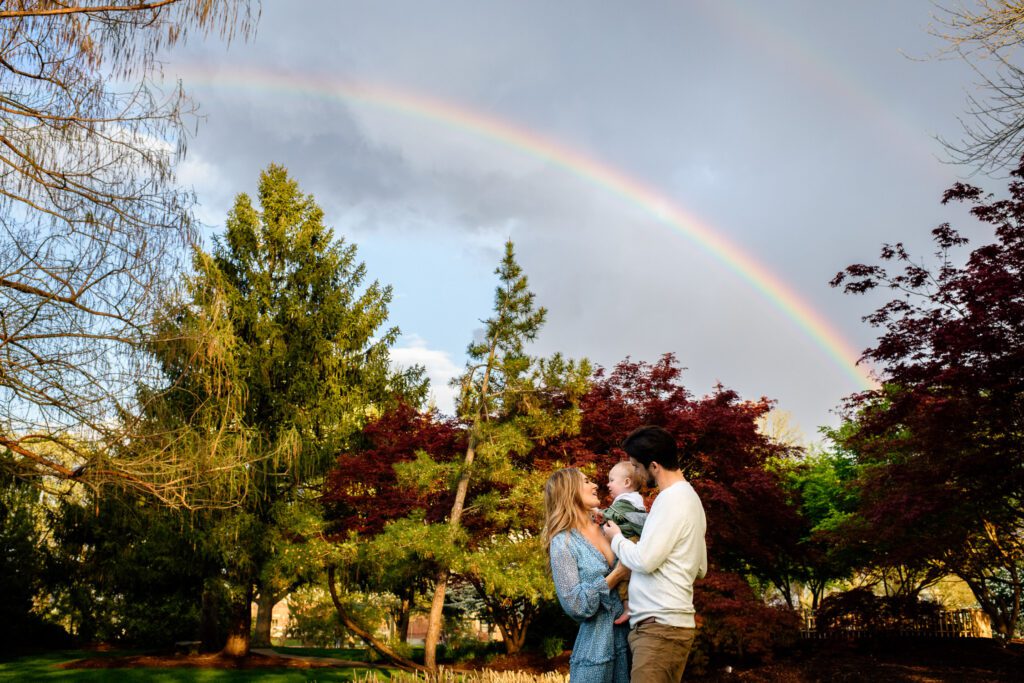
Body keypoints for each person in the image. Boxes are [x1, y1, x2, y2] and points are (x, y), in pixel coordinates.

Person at [601, 426, 707, 683]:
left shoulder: (672, 500)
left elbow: (644, 560)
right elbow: (701, 567)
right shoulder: (689, 499)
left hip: (660, 630)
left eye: (636, 466)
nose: (634, 474)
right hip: (662, 626)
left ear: (654, 466)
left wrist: (616, 538)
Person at [544, 467, 631, 683]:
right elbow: (576, 605)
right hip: (596, 652)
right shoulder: (563, 543)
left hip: (634, 638)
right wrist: (617, 575)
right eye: (586, 482)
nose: (595, 485)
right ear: (569, 491)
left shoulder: (609, 525)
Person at [592, 461, 648, 623]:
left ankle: (628, 606)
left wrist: (597, 512)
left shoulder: (626, 501)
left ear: (627, 482)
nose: (607, 484)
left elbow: (613, 515)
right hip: (632, 539)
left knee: (622, 573)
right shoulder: (634, 500)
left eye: (611, 480)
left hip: (629, 539)